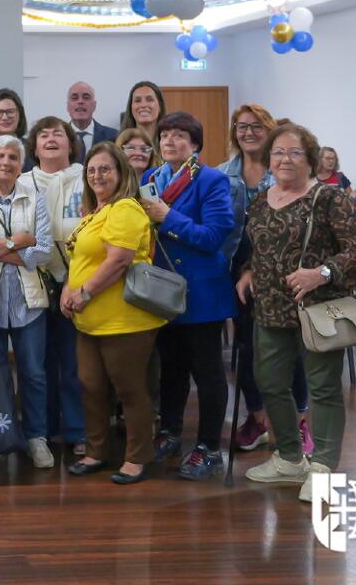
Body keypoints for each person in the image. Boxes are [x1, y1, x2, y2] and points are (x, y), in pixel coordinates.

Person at [238, 123, 356, 502]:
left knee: (323, 388)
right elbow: (259, 246)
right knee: (270, 383)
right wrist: (248, 271)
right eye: (278, 152)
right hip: (270, 310)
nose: (285, 159)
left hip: (318, 309)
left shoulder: (328, 198)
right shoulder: (261, 201)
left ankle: (323, 467)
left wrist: (321, 273)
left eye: (295, 152)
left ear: (310, 159)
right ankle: (290, 458)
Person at [62, 142, 164, 485]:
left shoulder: (125, 209)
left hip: (124, 320)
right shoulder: (95, 212)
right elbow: (80, 257)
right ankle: (96, 452)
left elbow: (118, 260)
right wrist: (68, 289)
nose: (97, 176)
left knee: (129, 389)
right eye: (91, 170)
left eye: (105, 169)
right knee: (91, 387)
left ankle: (137, 457)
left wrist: (85, 292)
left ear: (121, 173)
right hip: (89, 320)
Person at [142, 112, 235, 480]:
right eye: (165, 135)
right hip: (161, 291)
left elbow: (213, 237)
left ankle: (209, 448)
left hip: (201, 292)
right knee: (171, 369)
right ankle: (170, 433)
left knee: (207, 372)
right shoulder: (150, 179)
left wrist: (168, 217)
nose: (170, 141)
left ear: (194, 144)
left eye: (179, 135)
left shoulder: (211, 180)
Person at [219, 105, 312, 456]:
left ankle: (298, 421)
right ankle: (257, 419)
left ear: (270, 130)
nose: (248, 132)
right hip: (235, 269)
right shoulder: (221, 174)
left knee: (291, 348)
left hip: (283, 271)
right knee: (246, 346)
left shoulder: (287, 172)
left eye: (257, 126)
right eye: (241, 126)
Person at [0, 135, 54, 468]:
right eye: (0, 156)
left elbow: (44, 251)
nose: (6, 162)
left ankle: (36, 437)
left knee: (34, 373)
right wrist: (17, 241)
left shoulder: (35, 198)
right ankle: (0, 437)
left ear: (21, 165)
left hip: (29, 301)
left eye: (12, 157)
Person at [19, 116, 87, 455]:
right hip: (34, 282)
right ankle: (41, 431)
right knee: (38, 363)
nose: (50, 139)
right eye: (42, 134)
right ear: (33, 146)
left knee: (74, 363)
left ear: (70, 144)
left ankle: (77, 431)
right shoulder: (22, 182)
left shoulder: (86, 178)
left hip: (78, 282)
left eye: (58, 134)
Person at [66, 82, 118, 157]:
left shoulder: (114, 136)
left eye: (86, 97)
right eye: (74, 98)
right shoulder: (58, 137)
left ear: (94, 105)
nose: (80, 101)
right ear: (68, 106)